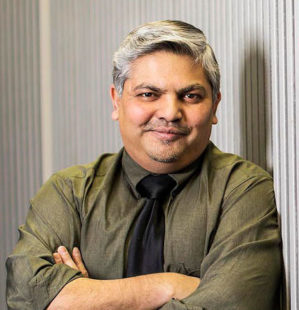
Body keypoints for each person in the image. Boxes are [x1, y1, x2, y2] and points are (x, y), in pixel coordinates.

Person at [6, 20, 282, 310]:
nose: (170, 112)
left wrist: (86, 297)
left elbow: (235, 305)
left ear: (214, 106)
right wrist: (168, 285)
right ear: (117, 101)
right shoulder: (69, 193)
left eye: (190, 96)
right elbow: (25, 296)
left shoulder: (242, 190)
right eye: (149, 94)